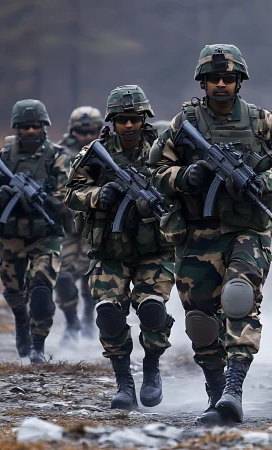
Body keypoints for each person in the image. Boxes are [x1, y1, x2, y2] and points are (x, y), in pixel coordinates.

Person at [150, 44, 272, 425]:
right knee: (201, 319)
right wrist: (185, 176)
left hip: (247, 230)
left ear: (239, 82)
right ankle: (215, 393)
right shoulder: (182, 125)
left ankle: (234, 391)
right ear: (203, 83)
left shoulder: (263, 122)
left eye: (229, 78)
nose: (221, 85)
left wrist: (264, 180)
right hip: (197, 233)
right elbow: (154, 171)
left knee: (239, 300)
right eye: (214, 79)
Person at [65, 85, 174, 410]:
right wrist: (99, 195)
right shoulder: (95, 154)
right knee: (110, 315)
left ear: (145, 118)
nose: (129, 125)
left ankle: (152, 369)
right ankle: (124, 381)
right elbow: (71, 193)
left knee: (153, 310)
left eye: (135, 119)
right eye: (122, 120)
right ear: (112, 121)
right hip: (109, 250)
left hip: (154, 249)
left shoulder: (162, 150)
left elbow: (180, 185)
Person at [0, 99, 69, 364]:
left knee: (41, 288)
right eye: (24, 127)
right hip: (11, 236)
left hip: (45, 235)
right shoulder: (2, 157)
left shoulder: (57, 156)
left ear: (44, 126)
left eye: (35, 126)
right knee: (14, 292)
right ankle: (20, 320)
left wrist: (43, 199)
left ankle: (37, 344)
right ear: (17, 128)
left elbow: (68, 196)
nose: (29, 132)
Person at [55, 106, 103, 342]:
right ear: (73, 131)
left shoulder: (107, 153)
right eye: (81, 132)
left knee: (90, 278)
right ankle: (71, 322)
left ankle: (87, 318)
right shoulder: (60, 155)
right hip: (67, 227)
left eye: (92, 131)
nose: (87, 136)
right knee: (62, 277)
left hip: (95, 227)